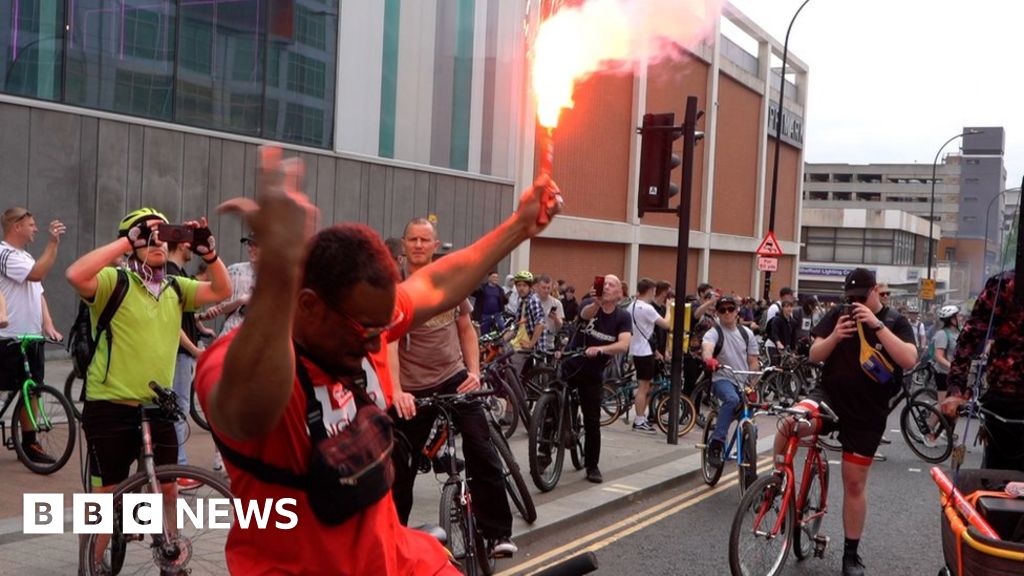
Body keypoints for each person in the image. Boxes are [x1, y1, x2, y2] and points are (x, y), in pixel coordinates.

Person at [195, 146, 562, 574]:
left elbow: (438, 284)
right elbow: (246, 410)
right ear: (309, 306)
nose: (376, 346)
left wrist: (520, 225)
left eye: (381, 329)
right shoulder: (236, 361)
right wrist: (279, 270)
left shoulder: (364, 317)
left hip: (401, 559)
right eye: (365, 333)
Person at [66, 207, 232, 568]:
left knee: (167, 487)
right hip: (110, 404)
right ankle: (91, 564)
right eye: (148, 235)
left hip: (158, 405)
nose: (159, 241)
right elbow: (75, 274)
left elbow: (222, 289)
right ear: (133, 243)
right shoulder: (115, 281)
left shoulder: (175, 287)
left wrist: (209, 253)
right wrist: (126, 241)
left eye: (164, 234)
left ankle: (170, 558)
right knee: (104, 495)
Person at [772, 268, 917, 576]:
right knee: (791, 423)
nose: (855, 304)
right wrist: (836, 335)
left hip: (867, 413)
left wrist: (876, 325)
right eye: (850, 298)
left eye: (861, 298)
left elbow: (908, 359)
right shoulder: (839, 315)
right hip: (829, 398)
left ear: (875, 291)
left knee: (853, 483)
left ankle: (850, 555)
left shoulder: (895, 321)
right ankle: (776, 481)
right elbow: (814, 354)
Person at [390, 217, 516, 557]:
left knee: (481, 447)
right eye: (412, 239)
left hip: (453, 376)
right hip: (411, 388)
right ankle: (394, 541)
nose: (418, 245)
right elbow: (388, 342)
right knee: (398, 467)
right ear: (404, 246)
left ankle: (496, 534)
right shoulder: (394, 288)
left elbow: (465, 325)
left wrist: (473, 371)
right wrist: (397, 390)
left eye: (424, 240)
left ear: (435, 245)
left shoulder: (448, 280)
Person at [0, 207, 66, 464]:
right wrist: (52, 243)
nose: (35, 229)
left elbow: (37, 291)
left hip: (31, 336)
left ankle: (29, 443)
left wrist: (47, 323)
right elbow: (38, 274)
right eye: (31, 224)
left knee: (33, 389)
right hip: (8, 336)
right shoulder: (4, 254)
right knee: (7, 385)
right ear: (16, 226)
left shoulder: (26, 256)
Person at [943, 268, 1024, 471]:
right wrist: (957, 389)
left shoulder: (1006, 283)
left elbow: (969, 338)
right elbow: (970, 338)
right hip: (1007, 403)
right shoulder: (1006, 284)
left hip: (1006, 398)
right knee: (999, 484)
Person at [559, 275, 631, 483]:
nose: (606, 287)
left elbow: (623, 345)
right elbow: (584, 314)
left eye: (612, 285)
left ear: (620, 293)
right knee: (552, 405)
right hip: (571, 366)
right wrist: (597, 304)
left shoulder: (622, 317)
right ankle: (544, 453)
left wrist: (599, 349)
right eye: (604, 283)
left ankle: (592, 466)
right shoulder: (590, 304)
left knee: (592, 420)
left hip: (592, 373)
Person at [701, 296, 759, 477]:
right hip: (722, 378)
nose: (727, 312)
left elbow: (753, 361)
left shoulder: (746, 334)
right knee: (732, 400)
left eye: (730, 309)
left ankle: (749, 460)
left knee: (750, 419)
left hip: (743, 381)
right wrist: (710, 360)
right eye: (722, 310)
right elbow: (707, 349)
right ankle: (716, 444)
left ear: (737, 311)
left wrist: (752, 383)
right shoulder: (714, 333)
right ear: (717, 313)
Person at [163, 239, 205, 486]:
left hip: (181, 352)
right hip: (179, 353)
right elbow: (171, 320)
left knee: (177, 409)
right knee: (177, 410)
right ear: (181, 246)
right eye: (190, 243)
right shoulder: (171, 274)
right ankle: (177, 468)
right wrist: (193, 349)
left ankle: (177, 467)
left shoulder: (177, 273)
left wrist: (199, 323)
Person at [628, 278, 671, 433]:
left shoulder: (631, 306)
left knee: (645, 385)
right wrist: (669, 309)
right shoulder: (647, 308)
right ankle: (639, 420)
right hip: (645, 351)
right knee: (643, 386)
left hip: (636, 349)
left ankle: (641, 418)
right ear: (650, 291)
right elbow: (666, 324)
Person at [929, 305, 961, 394]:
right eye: (958, 315)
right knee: (943, 405)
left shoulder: (958, 332)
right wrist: (952, 366)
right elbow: (938, 356)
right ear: (951, 319)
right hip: (943, 374)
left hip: (955, 375)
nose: (960, 317)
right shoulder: (942, 334)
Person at [534, 274, 564, 352]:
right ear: (537, 287)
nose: (546, 290)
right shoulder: (531, 301)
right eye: (544, 288)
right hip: (531, 344)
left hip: (548, 344)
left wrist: (556, 319)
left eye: (548, 288)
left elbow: (559, 327)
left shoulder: (556, 303)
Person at [765, 299, 798, 364]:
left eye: (791, 307)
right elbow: (774, 332)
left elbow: (793, 337)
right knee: (774, 364)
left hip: (784, 348)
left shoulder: (793, 322)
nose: (789, 309)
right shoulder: (777, 319)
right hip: (772, 345)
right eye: (786, 307)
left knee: (785, 366)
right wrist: (778, 343)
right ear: (782, 308)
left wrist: (793, 351)